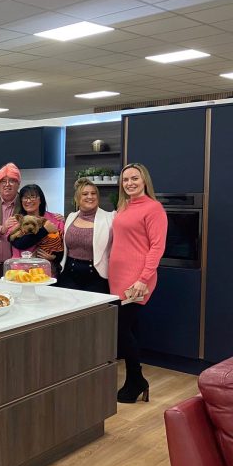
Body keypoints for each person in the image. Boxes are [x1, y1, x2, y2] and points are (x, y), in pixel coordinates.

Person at [109, 163, 167, 404]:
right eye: (125, 180)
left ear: (145, 181)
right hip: (118, 276)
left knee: (122, 329)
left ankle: (136, 380)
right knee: (127, 329)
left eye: (135, 178)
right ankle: (136, 379)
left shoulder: (154, 209)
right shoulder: (123, 207)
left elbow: (157, 246)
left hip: (137, 279)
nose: (130, 183)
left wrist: (143, 279)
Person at [58, 178, 114, 294]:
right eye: (85, 194)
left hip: (96, 277)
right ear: (77, 198)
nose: (90, 196)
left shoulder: (110, 218)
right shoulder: (70, 217)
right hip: (68, 276)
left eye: (93, 193)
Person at [8, 184, 65, 272]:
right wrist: (45, 230)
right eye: (25, 197)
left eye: (32, 197)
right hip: (19, 271)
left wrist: (54, 257)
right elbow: (19, 244)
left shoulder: (55, 220)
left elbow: (62, 247)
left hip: (45, 272)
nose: (28, 200)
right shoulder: (16, 220)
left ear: (40, 200)